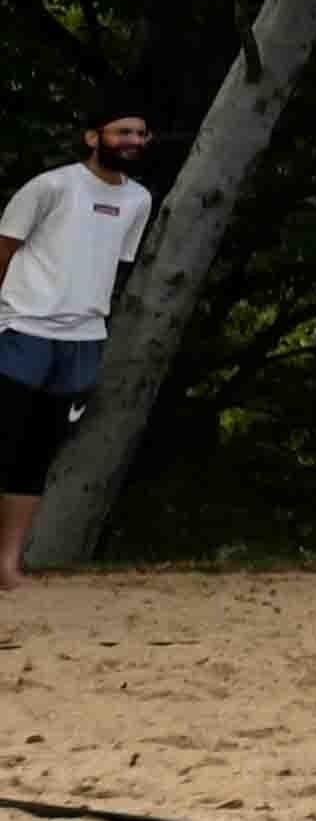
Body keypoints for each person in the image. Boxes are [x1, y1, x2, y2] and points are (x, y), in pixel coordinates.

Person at [0, 104, 160, 592]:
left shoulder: (139, 200)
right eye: (122, 131)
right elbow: (4, 249)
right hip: (22, 328)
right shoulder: (51, 186)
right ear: (94, 136)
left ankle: (7, 567)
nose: (133, 139)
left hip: (83, 340)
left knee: (35, 454)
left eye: (140, 132)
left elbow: (117, 264)